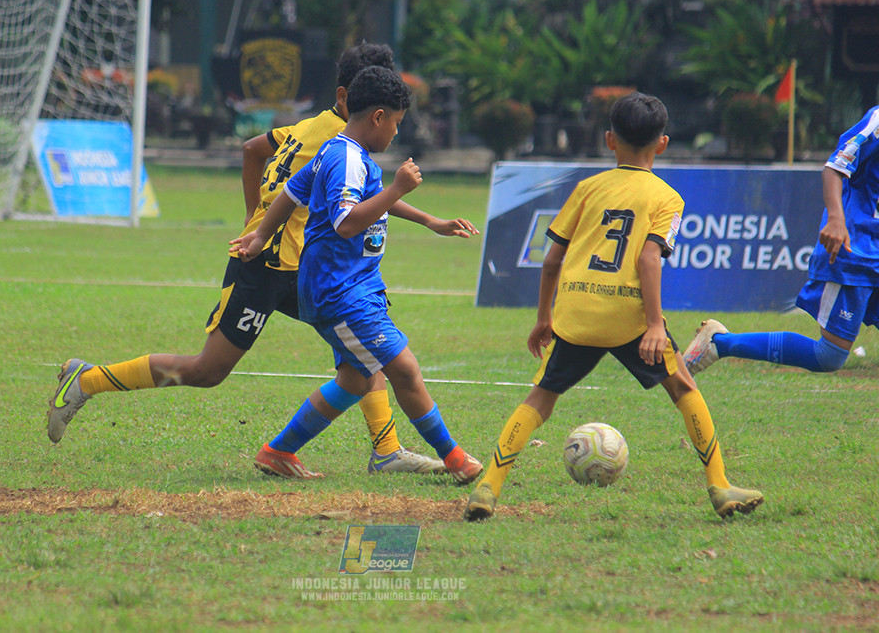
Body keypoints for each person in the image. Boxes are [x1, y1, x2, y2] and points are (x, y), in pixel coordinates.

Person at [48, 43, 477, 476]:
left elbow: (256, 149)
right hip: (270, 267)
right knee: (209, 370)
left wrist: (257, 219)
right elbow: (344, 206)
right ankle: (88, 379)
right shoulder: (340, 141)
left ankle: (382, 450)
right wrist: (259, 230)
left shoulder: (317, 128)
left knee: (364, 352)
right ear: (357, 101)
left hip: (302, 267)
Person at [463, 92, 763, 521]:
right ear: (662, 143)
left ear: (609, 140)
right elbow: (647, 258)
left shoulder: (587, 188)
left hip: (577, 312)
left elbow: (551, 260)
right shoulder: (668, 198)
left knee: (541, 399)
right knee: (684, 389)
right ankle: (719, 486)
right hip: (629, 317)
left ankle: (487, 488)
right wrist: (656, 324)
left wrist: (544, 319)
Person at [230, 66, 483, 483]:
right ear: (378, 117)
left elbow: (292, 194)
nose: (397, 134)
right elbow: (347, 223)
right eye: (397, 124)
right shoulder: (346, 159)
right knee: (404, 369)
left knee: (354, 379)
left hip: (353, 285)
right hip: (339, 290)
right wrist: (398, 187)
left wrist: (429, 220)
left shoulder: (340, 151)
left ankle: (278, 451)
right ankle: (456, 458)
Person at [685, 106, 879, 377]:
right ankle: (719, 343)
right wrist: (836, 219)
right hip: (855, 249)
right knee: (829, 356)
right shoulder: (878, 121)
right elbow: (835, 167)